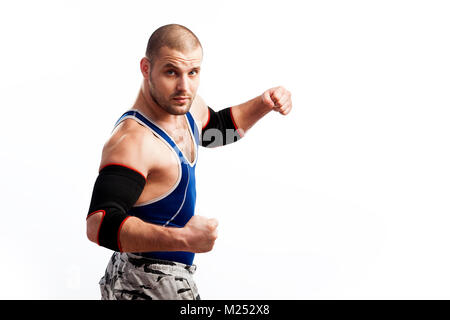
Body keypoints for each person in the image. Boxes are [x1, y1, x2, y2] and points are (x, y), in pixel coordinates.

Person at [85, 24, 292, 300]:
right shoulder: (133, 141)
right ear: (146, 68)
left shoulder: (186, 106)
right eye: (171, 72)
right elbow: (99, 224)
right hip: (146, 281)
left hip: (167, 276)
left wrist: (263, 104)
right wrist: (183, 238)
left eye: (193, 73)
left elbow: (216, 130)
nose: (185, 86)